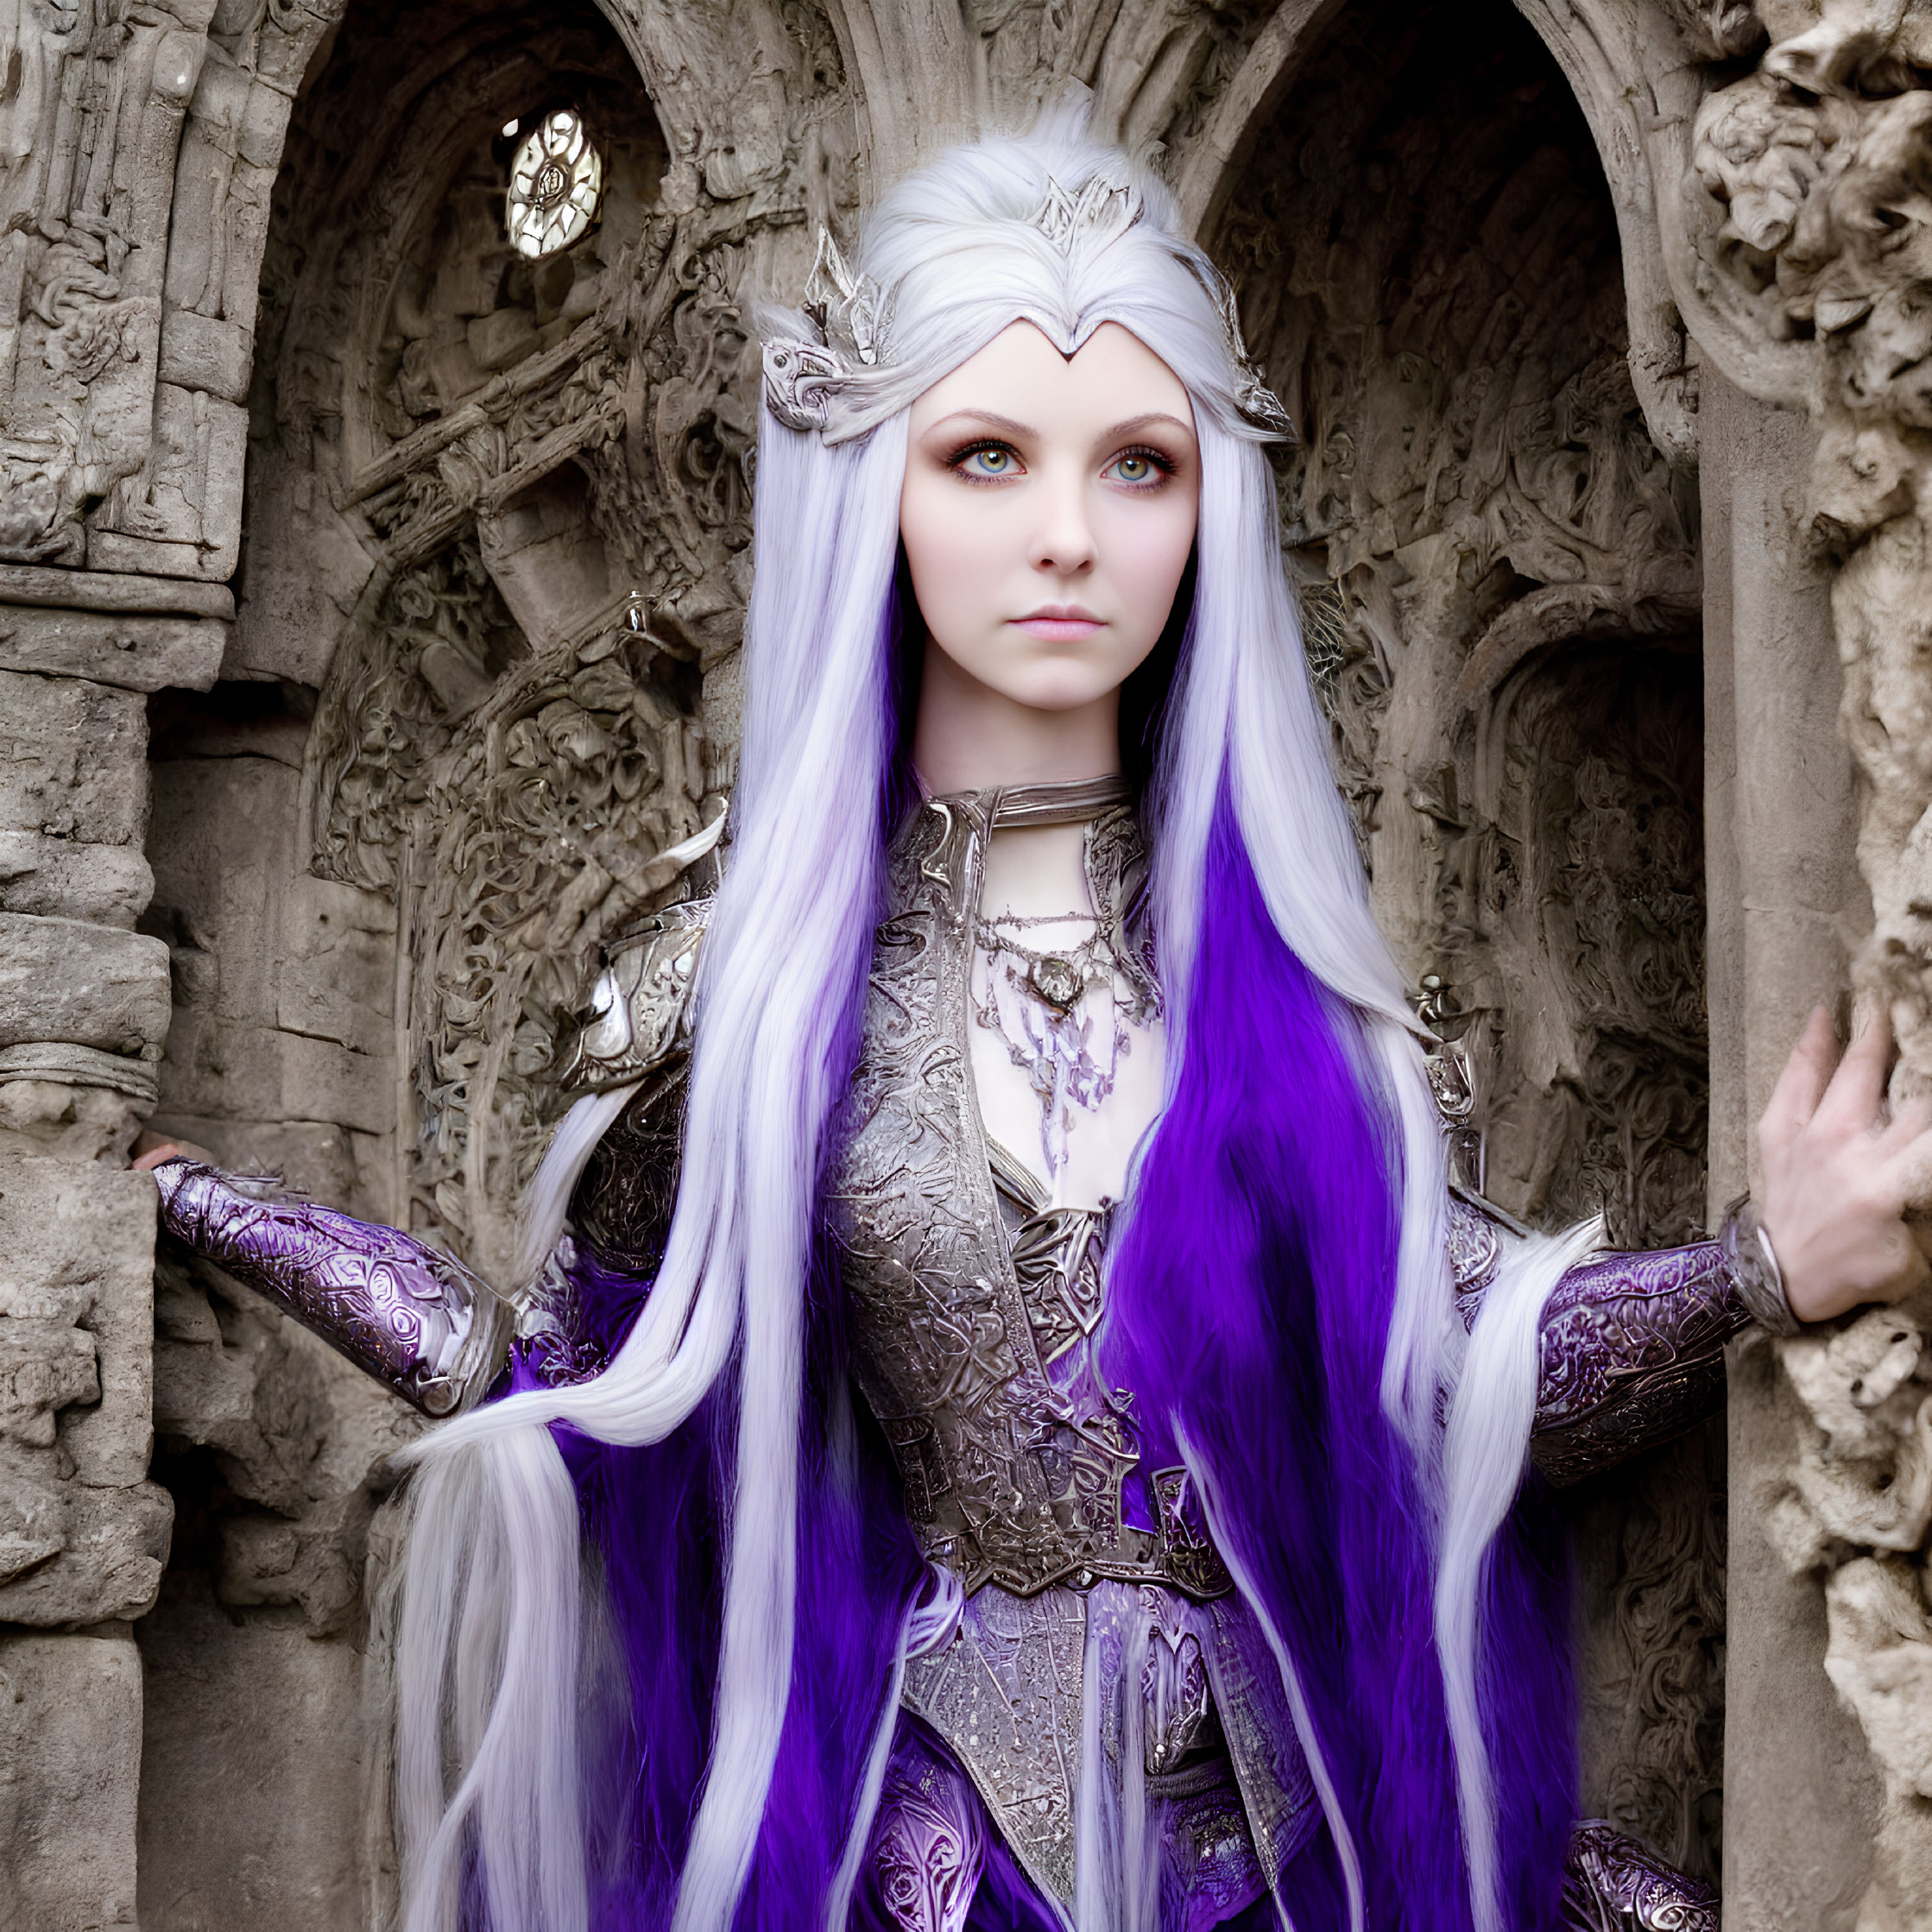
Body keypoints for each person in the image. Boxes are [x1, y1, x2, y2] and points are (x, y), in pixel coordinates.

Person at [138, 102, 1932, 1932]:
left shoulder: (1306, 999)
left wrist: (1756, 1267)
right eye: (987, 456)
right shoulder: (736, 998)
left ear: (1207, 498)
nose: (1070, 537)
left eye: (1138, 464)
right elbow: (566, 1393)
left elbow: (1464, 1394)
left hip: (1293, 1836)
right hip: (935, 1856)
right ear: (873, 489)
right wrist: (213, 1209)